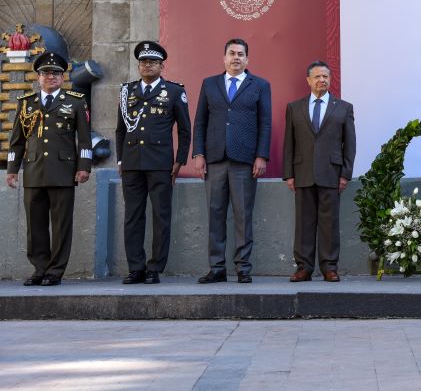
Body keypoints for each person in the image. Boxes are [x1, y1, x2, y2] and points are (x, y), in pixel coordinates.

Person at [6, 52, 91, 286]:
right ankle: (39, 268)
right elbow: (17, 141)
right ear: (38, 77)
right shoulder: (26, 104)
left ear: (62, 78)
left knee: (61, 224)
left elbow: (84, 140)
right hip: (34, 171)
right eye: (46, 73)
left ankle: (55, 271)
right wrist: (12, 169)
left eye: (56, 73)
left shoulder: (75, 102)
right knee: (35, 225)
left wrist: (84, 167)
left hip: (63, 171)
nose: (51, 76)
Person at [193, 38, 272, 284]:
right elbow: (200, 122)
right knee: (215, 214)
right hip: (215, 158)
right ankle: (216, 268)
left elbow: (266, 123)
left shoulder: (259, 85)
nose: (236, 57)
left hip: (244, 161)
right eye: (231, 53)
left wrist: (261, 155)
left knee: (243, 215)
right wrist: (199, 154)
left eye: (241, 54)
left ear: (247, 59)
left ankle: (243, 268)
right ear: (224, 58)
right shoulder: (209, 84)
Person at [115, 41, 191, 285]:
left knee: (161, 216)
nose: (147, 65)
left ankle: (155, 267)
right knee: (133, 217)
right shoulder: (127, 91)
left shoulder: (174, 91)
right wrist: (119, 158)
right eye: (143, 62)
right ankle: (135, 267)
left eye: (153, 62)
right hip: (132, 163)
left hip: (161, 164)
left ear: (162, 65)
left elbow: (185, 130)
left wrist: (180, 160)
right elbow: (119, 131)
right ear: (139, 65)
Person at [282, 61, 356, 282]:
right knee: (303, 223)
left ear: (330, 80)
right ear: (308, 80)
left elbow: (350, 144)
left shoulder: (343, 108)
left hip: (331, 174)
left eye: (325, 77)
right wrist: (289, 174)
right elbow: (289, 143)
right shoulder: (294, 108)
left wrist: (345, 174)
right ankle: (304, 267)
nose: (322, 80)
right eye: (317, 77)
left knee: (329, 223)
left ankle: (329, 267)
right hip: (302, 171)